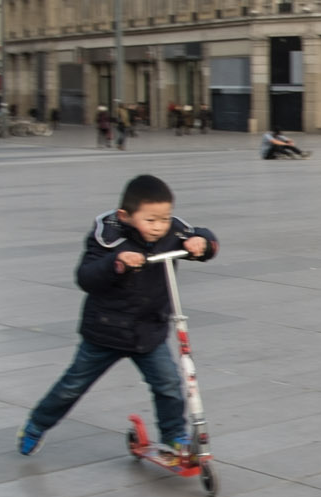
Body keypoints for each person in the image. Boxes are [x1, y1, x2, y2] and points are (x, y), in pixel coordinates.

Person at [19, 175, 220, 457]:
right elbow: (86, 278)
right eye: (151, 220)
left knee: (169, 385)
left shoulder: (172, 231)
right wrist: (117, 263)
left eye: (165, 218)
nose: (159, 227)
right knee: (72, 386)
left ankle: (174, 436)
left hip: (149, 332)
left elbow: (203, 236)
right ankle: (36, 425)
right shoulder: (108, 237)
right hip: (105, 332)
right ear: (125, 216)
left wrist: (203, 243)